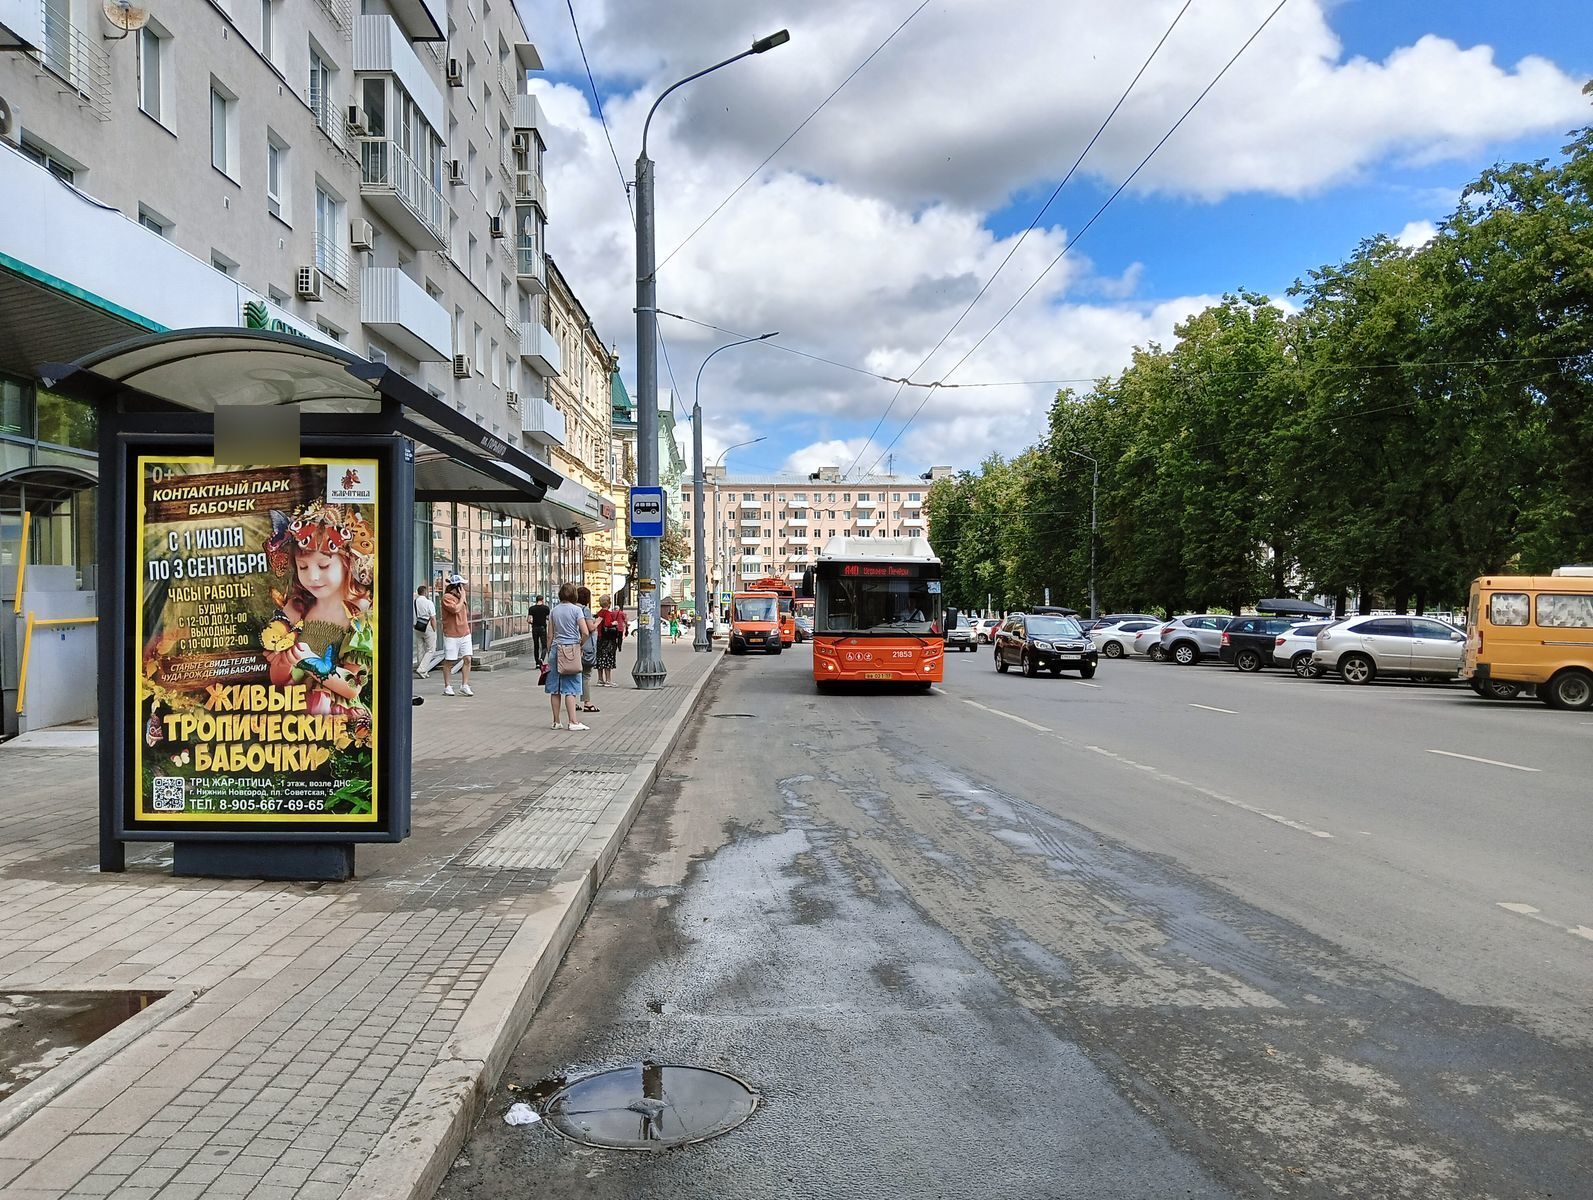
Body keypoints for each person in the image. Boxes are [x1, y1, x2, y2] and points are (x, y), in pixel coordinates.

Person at [262, 501, 375, 719]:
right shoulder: (296, 609)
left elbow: (353, 686)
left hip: (336, 715)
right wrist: (284, 662)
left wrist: (311, 663)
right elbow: (279, 680)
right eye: (303, 567)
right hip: (295, 713)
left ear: (347, 562)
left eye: (323, 566)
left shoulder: (360, 614)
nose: (312, 577)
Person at [546, 582, 594, 730]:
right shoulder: (577, 610)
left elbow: (550, 635)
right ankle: (573, 722)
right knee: (571, 688)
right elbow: (585, 632)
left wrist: (549, 651)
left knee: (555, 688)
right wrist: (580, 644)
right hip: (571, 650)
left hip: (556, 649)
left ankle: (556, 722)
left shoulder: (554, 611)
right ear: (574, 594)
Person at [438, 574, 474, 696]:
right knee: (450, 660)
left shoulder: (461, 597)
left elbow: (465, 612)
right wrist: (462, 597)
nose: (464, 588)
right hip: (451, 634)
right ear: (457, 586)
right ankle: (447, 686)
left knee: (468, 658)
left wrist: (462, 598)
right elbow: (455, 609)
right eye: (462, 585)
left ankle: (465, 685)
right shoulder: (447, 598)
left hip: (465, 633)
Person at [595, 594, 627, 686]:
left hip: (600, 638)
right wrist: (614, 623)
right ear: (609, 604)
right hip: (608, 639)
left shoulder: (599, 613)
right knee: (608, 658)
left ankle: (600, 679)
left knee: (600, 658)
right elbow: (608, 624)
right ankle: (608, 680)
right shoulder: (607, 613)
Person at [576, 585, 598, 713]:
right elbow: (590, 628)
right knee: (586, 674)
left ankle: (572, 702)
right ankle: (587, 702)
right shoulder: (585, 610)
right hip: (585, 646)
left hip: (571, 646)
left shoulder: (571, 608)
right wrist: (598, 621)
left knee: (573, 675)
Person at [413, 583, 439, 678]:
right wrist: (434, 629)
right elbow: (433, 618)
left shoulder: (414, 602)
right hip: (427, 625)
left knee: (420, 648)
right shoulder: (429, 603)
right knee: (431, 649)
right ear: (425, 592)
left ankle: (422, 670)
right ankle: (422, 669)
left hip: (417, 626)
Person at [529, 594, 551, 665]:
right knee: (544, 646)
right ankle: (541, 659)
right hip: (542, 628)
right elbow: (548, 618)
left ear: (536, 600)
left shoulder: (531, 608)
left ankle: (537, 663)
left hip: (535, 628)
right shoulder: (546, 608)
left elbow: (529, 620)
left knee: (536, 646)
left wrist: (532, 623)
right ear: (542, 600)